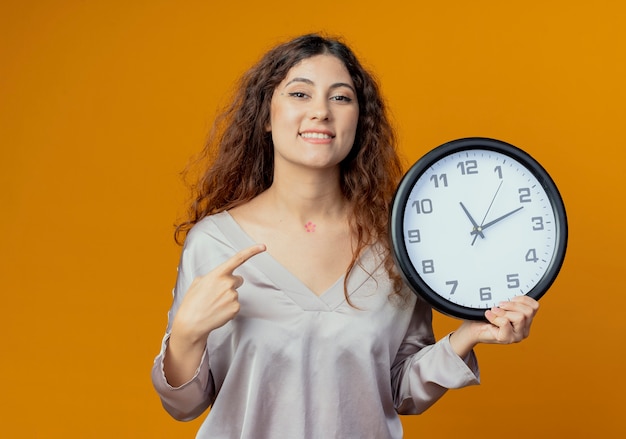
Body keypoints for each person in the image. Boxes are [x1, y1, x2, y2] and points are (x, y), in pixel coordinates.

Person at [151, 33, 539, 438]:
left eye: (340, 98)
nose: (321, 112)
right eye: (300, 95)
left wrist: (468, 336)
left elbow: (402, 390)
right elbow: (183, 405)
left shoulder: (397, 244)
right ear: (265, 117)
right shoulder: (214, 242)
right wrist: (185, 335)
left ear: (360, 119)